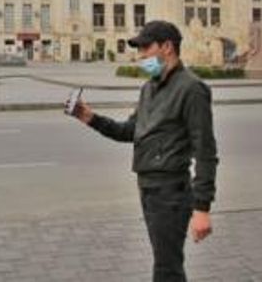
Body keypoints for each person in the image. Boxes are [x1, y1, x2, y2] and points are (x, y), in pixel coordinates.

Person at [68, 20, 219, 282]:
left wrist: (202, 207)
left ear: (167, 47)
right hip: (148, 189)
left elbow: (205, 150)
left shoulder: (192, 89)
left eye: (145, 48)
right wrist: (90, 118)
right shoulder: (149, 88)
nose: (141, 56)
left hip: (171, 192)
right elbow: (130, 131)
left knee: (166, 268)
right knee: (167, 263)